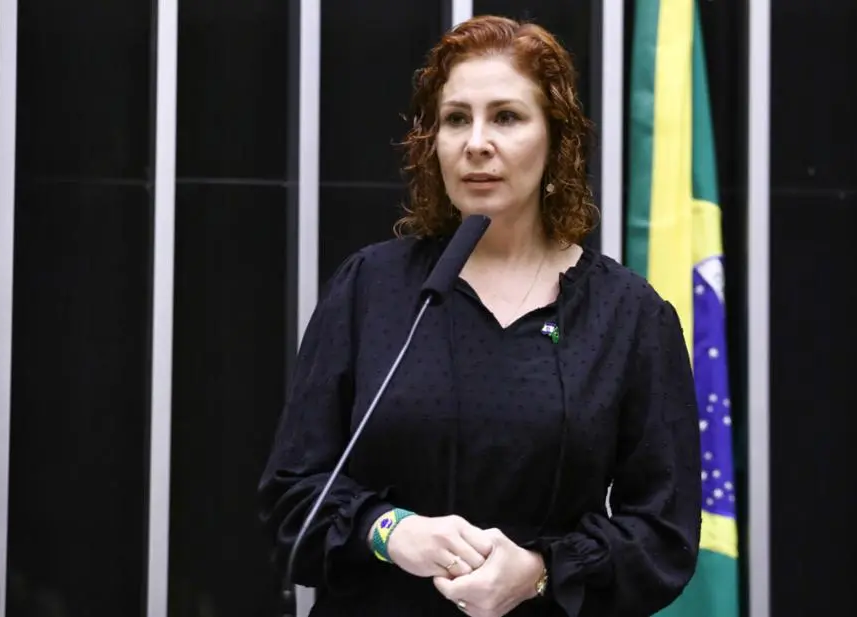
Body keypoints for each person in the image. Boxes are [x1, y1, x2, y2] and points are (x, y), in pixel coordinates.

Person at [258, 15, 702, 617]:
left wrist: (539, 572)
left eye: (507, 117)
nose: (476, 143)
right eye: (456, 119)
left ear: (557, 139)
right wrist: (391, 532)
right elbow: (291, 498)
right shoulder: (371, 288)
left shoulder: (629, 315)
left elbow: (663, 537)